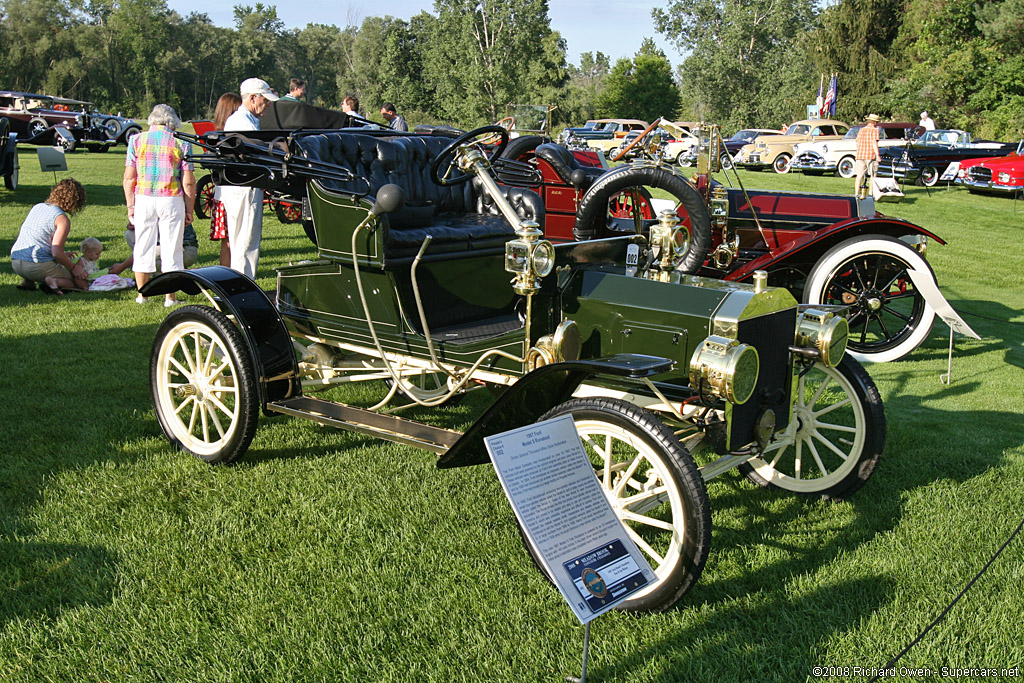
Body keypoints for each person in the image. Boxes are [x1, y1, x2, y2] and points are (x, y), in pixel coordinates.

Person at [123, 103, 196, 307]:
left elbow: (129, 178)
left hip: (144, 197)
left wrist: (131, 206)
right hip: (171, 198)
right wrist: (189, 208)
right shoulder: (181, 143)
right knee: (172, 247)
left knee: (142, 245)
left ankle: (142, 294)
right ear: (172, 122)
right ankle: (169, 297)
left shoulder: (136, 140)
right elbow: (188, 181)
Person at [220, 78, 278, 279]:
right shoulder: (242, 123)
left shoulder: (246, 120)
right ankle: (243, 284)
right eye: (265, 99)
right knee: (245, 241)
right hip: (246, 188)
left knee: (245, 240)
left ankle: (242, 282)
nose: (268, 104)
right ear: (253, 98)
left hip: (245, 187)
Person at [10, 178, 88, 294]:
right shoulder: (62, 219)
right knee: (75, 282)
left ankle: (28, 282)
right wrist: (73, 267)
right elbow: (56, 253)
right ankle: (52, 282)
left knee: (42, 264)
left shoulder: (38, 207)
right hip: (35, 266)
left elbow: (38, 241)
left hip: (16, 261)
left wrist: (64, 256)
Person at [210, 92, 242, 267]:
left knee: (227, 242)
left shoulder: (215, 136)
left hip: (220, 194)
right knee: (231, 242)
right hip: (230, 194)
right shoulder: (228, 139)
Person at [124, 220, 199, 269]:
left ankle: (176, 273)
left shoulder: (164, 204)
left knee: (146, 258)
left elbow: (147, 249)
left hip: (186, 249)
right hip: (166, 245)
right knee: (130, 234)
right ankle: (175, 270)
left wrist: (122, 266)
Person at [854, 113, 882, 200]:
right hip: (870, 155)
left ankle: (856, 193)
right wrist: (877, 155)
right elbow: (874, 142)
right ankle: (870, 194)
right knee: (873, 175)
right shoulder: (875, 130)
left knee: (859, 175)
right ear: (874, 122)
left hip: (860, 154)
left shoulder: (862, 130)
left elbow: (857, 142)